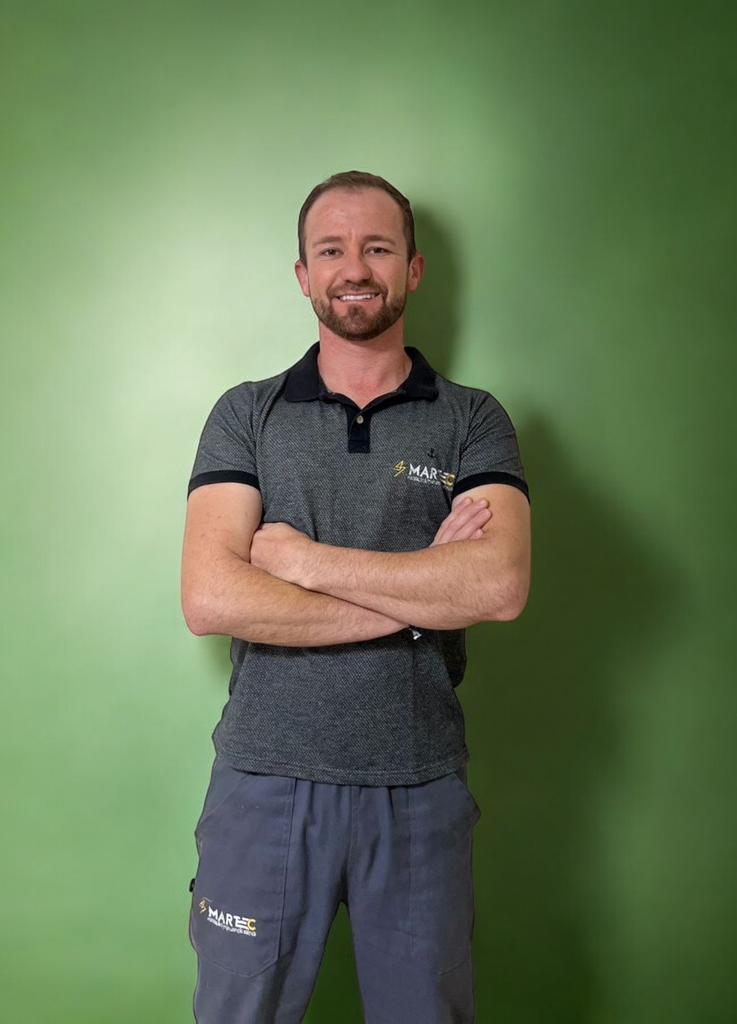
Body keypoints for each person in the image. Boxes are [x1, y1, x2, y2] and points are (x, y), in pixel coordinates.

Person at [180, 170, 531, 1023]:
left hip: (419, 788)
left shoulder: (474, 420)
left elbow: (498, 584)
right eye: (331, 250)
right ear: (304, 275)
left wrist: (303, 561)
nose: (355, 269)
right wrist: (422, 591)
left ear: (413, 268)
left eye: (377, 247)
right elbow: (211, 598)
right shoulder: (246, 415)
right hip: (264, 784)